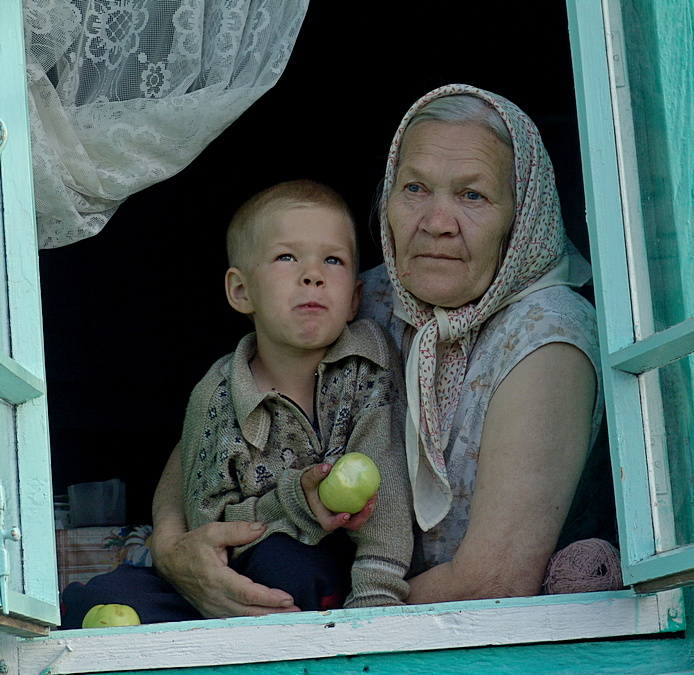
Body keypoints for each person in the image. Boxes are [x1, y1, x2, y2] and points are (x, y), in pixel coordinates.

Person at [149, 84, 604, 617]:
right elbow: (213, 423)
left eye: (472, 195)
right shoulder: (361, 296)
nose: (437, 222)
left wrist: (319, 617)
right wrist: (174, 550)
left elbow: (491, 582)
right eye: (415, 189)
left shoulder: (547, 339)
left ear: (520, 217)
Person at [61, 180, 412, 627]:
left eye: (333, 259)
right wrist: (290, 502)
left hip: (328, 574)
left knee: (285, 566)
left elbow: (388, 486)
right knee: (100, 600)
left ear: (354, 300)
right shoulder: (217, 394)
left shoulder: (368, 365)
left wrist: (376, 602)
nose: (313, 274)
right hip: (228, 573)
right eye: (287, 257)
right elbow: (209, 523)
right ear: (240, 291)